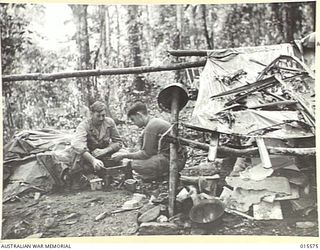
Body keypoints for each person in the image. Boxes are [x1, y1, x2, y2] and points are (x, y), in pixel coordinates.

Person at [111, 102, 187, 181]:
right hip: (176, 157)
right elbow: (147, 150)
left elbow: (145, 154)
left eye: (133, 119)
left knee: (135, 164)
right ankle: (161, 175)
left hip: (175, 161)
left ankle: (162, 175)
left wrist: (124, 155)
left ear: (139, 115)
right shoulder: (153, 122)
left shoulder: (151, 127)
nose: (133, 123)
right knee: (135, 160)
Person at [69, 101, 123, 186]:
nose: (101, 118)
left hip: (105, 154)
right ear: (91, 114)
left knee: (123, 154)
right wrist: (93, 160)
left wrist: (105, 150)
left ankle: (112, 174)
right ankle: (85, 177)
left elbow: (118, 142)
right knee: (77, 159)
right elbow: (78, 146)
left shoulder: (109, 122)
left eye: (103, 115)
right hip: (89, 156)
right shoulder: (84, 126)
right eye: (98, 116)